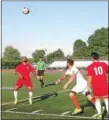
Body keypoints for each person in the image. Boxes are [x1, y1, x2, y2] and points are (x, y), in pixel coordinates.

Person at [86, 52, 108, 119]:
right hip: (104, 85)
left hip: (96, 86)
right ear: (98, 57)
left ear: (92, 58)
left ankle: (99, 115)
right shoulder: (104, 64)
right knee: (106, 100)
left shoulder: (90, 67)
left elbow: (90, 78)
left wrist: (88, 86)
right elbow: (107, 71)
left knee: (97, 100)